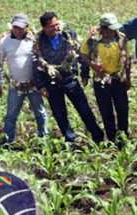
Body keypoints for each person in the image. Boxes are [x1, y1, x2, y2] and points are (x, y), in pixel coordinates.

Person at [32, 11, 104, 144]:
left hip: (70, 79)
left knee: (84, 110)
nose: (56, 28)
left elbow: (80, 51)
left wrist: (84, 73)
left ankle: (98, 137)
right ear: (44, 28)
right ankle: (70, 139)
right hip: (52, 83)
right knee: (60, 114)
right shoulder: (38, 42)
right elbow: (35, 63)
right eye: (52, 26)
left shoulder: (67, 34)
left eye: (57, 24)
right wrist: (40, 85)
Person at [0, 13, 48, 145]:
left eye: (20, 28)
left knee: (40, 112)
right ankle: (8, 141)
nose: (17, 30)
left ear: (27, 27)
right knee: (11, 115)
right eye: (15, 27)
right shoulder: (5, 41)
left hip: (33, 84)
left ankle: (44, 139)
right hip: (16, 85)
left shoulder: (33, 40)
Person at [80, 13, 131, 143]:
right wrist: (92, 65)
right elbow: (83, 54)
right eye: (110, 28)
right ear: (103, 28)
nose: (113, 31)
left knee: (123, 109)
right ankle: (112, 138)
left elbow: (127, 60)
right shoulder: (92, 40)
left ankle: (123, 137)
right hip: (100, 79)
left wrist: (128, 78)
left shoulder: (121, 39)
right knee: (106, 110)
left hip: (118, 79)